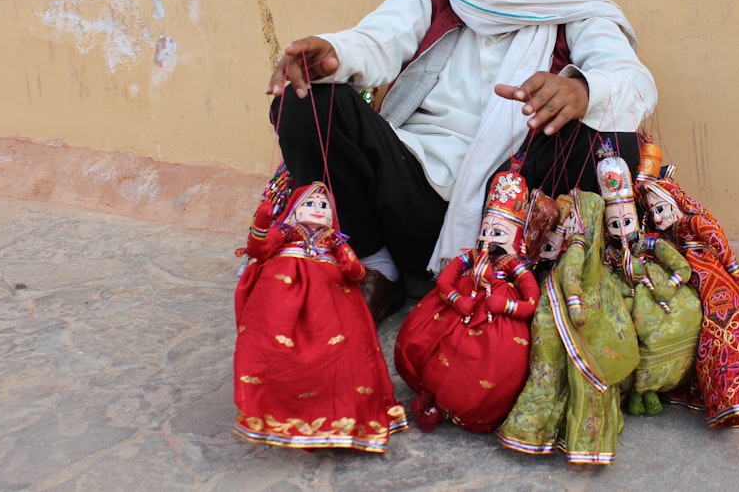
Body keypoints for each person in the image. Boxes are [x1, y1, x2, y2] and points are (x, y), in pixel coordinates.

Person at [264, 0, 657, 322]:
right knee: (305, 98)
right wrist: (334, 53)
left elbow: (633, 81)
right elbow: (374, 41)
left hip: (509, 205)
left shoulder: (576, 12)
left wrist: (583, 91)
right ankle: (379, 267)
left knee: (614, 140)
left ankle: (524, 279)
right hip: (411, 191)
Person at [233, 182, 407, 451]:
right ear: (294, 210)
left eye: (324, 206)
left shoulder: (334, 242)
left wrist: (351, 265)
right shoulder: (286, 235)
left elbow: (357, 274)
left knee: (342, 353)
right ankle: (275, 407)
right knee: (274, 347)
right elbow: (259, 250)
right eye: (310, 204)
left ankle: (338, 416)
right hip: (282, 298)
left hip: (331, 301)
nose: (318, 209)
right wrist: (262, 223)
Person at [497, 189, 639, 466]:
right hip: (556, 316)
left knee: (550, 377)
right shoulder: (581, 248)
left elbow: (573, 275)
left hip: (553, 316)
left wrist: (575, 307)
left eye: (574, 216)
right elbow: (572, 278)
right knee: (559, 377)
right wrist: (576, 308)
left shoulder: (579, 247)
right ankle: (554, 436)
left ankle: (532, 432)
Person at [393, 169, 541, 433]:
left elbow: (531, 303)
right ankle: (430, 395)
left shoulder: (513, 266)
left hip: (496, 317)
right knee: (428, 341)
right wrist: (455, 298)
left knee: (491, 362)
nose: (488, 239)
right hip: (461, 303)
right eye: (485, 230)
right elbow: (444, 282)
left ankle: (458, 406)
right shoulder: (471, 258)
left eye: (499, 233)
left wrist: (506, 306)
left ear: (517, 239)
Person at [633, 140, 739, 427]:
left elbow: (721, 243)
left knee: (721, 326)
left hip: (709, 276)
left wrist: (736, 272)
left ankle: (734, 398)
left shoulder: (695, 224)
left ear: (676, 204)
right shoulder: (665, 237)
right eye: (654, 212)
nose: (658, 217)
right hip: (686, 274)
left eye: (662, 209)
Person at [594, 142, 702, 416]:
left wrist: (670, 286)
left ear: (638, 221)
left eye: (627, 222)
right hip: (626, 297)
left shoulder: (651, 245)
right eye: (614, 225)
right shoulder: (609, 254)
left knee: (683, 315)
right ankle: (631, 390)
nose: (622, 230)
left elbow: (681, 267)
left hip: (658, 295)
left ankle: (654, 387)